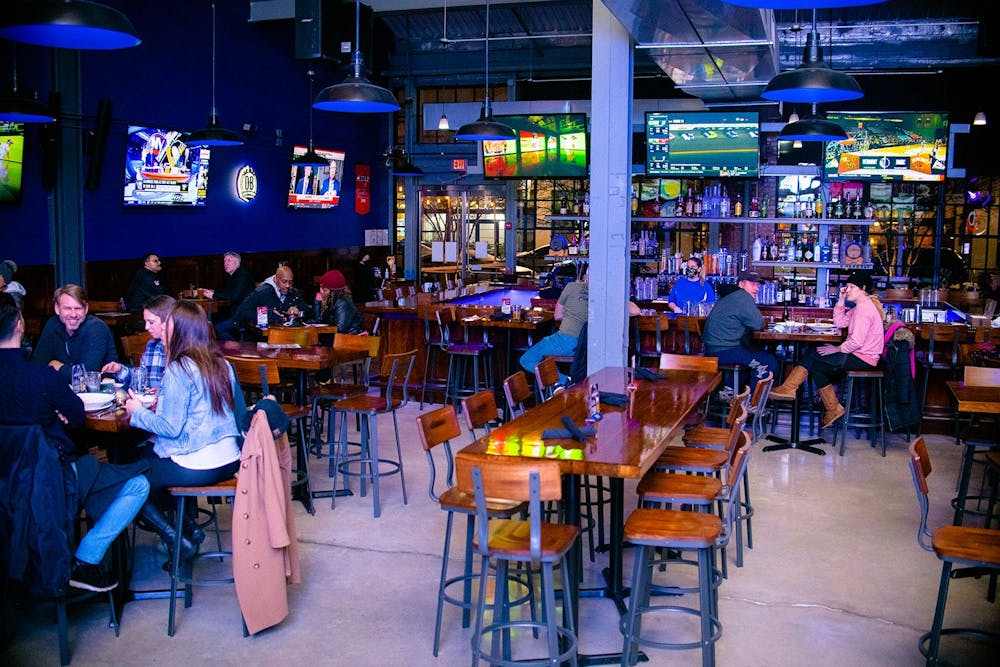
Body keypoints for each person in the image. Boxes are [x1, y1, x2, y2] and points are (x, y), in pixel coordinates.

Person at [0, 293, 150, 592]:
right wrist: (54, 410)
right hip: (50, 485)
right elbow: (77, 417)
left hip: (7, 493)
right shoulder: (42, 377)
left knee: (90, 468)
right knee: (136, 482)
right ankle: (86, 560)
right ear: (19, 324)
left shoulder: (46, 371)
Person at [123, 301, 247, 564]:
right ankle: (188, 527)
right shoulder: (221, 364)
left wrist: (136, 411)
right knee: (146, 456)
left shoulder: (179, 368)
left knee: (125, 477)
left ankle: (176, 538)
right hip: (230, 460)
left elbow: (170, 428)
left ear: (178, 329)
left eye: (167, 323)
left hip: (198, 463)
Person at [769, 270, 886, 428]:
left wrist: (836, 349)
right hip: (860, 355)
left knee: (813, 352)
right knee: (816, 367)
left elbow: (856, 342)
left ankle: (789, 388)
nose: (847, 289)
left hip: (863, 358)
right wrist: (841, 300)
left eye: (851, 287)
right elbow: (840, 323)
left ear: (863, 287)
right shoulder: (860, 307)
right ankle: (833, 408)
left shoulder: (864, 310)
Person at [701, 270, 777, 389]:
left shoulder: (730, 295)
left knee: (750, 356)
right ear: (741, 284)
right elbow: (758, 324)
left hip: (712, 349)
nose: (756, 289)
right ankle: (751, 404)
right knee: (767, 362)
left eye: (757, 285)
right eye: (752, 284)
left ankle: (730, 391)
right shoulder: (742, 297)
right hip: (724, 351)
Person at [31, 284, 118, 385]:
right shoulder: (52, 325)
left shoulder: (97, 328)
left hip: (99, 395)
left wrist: (58, 367)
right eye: (67, 308)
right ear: (57, 309)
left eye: (78, 308)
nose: (73, 314)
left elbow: (85, 378)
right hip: (63, 391)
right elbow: (36, 367)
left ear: (86, 309)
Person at [520, 268, 590, 386]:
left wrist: (571, 312)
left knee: (527, 360)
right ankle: (556, 389)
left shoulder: (571, 286)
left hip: (566, 340)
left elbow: (557, 316)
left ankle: (564, 382)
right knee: (548, 358)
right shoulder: (603, 292)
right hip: (585, 345)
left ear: (585, 276)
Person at [101, 294, 175, 391]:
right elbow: (140, 380)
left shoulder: (186, 350)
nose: (146, 327)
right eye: (145, 322)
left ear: (169, 321)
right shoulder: (152, 346)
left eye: (151, 322)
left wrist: (161, 392)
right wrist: (119, 370)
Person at [231, 265, 309, 333]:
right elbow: (240, 312)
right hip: (262, 337)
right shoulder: (262, 292)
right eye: (284, 282)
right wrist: (268, 314)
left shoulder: (293, 292)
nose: (288, 286)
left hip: (288, 335)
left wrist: (299, 312)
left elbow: (308, 311)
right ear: (275, 279)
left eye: (290, 282)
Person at [202, 251, 256, 339]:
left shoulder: (243, 275)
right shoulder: (230, 276)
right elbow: (225, 292)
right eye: (224, 261)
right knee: (212, 322)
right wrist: (212, 292)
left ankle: (235, 348)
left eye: (228, 261)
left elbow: (234, 296)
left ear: (237, 262)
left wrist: (214, 295)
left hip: (244, 314)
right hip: (234, 311)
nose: (225, 264)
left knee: (217, 328)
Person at [316, 270, 366, 335]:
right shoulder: (330, 300)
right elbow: (318, 320)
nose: (321, 291)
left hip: (346, 340)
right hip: (333, 339)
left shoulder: (343, 302)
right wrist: (317, 302)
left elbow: (340, 329)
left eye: (324, 289)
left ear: (333, 291)